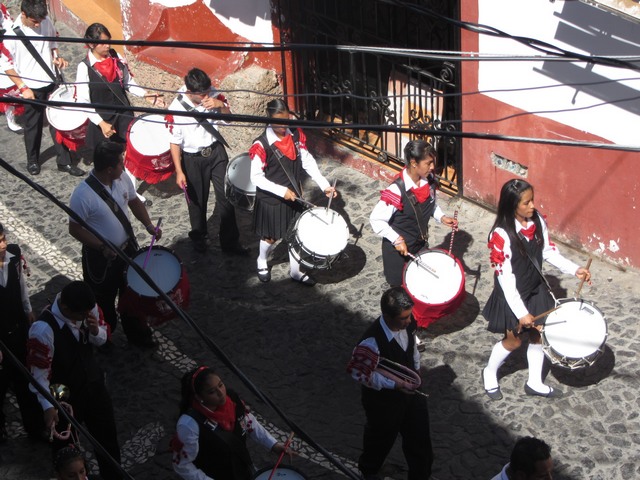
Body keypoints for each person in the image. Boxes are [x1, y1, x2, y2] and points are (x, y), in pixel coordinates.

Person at [481, 179, 591, 400]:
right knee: (513, 341)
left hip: (535, 287)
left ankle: (534, 382)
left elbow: (547, 252)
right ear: (513, 205)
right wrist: (521, 313)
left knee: (538, 335)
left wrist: (574, 269)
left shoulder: (537, 220)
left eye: (532, 200)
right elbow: (506, 279)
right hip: (513, 295)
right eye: (526, 203)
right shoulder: (501, 235)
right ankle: (489, 372)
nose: (532, 206)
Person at [69, 140, 161, 348]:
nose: (124, 165)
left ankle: (138, 336)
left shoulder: (122, 178)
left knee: (133, 295)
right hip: (101, 259)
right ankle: (104, 338)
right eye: (121, 163)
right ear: (109, 169)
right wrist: (102, 247)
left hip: (127, 249)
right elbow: (75, 229)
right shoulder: (82, 195)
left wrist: (148, 225)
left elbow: (134, 202)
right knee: (104, 302)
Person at [27, 281, 122, 479]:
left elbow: (103, 339)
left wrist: (96, 331)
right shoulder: (43, 330)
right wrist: (48, 407)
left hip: (94, 386)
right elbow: (39, 375)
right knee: (66, 453)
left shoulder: (87, 307)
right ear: (66, 308)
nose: (85, 317)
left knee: (108, 443)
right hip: (64, 398)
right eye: (80, 315)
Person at [346, 286, 433, 480]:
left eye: (409, 316)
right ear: (387, 316)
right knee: (379, 440)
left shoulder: (409, 325)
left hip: (412, 396)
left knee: (420, 440)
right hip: (383, 403)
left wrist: (416, 370)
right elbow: (361, 375)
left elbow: (413, 351)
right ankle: (369, 471)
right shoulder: (371, 342)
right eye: (403, 318)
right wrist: (395, 385)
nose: (409, 321)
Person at [249, 98, 337, 285]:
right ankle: (262, 260)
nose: (284, 125)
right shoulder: (261, 145)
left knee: (297, 234)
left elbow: (307, 162)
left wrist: (324, 185)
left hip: (295, 195)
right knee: (271, 237)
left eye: (286, 118)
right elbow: (255, 177)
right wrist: (281, 191)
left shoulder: (296, 135)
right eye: (279, 121)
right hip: (272, 199)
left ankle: (295, 271)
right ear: (269, 119)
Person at [75, 22, 164, 203]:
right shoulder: (84, 68)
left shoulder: (116, 57)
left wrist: (146, 95)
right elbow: (83, 101)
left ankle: (130, 191)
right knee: (107, 161)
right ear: (91, 44)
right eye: (103, 43)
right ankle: (109, 192)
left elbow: (129, 83)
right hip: (103, 119)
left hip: (123, 114)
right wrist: (100, 123)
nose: (108, 46)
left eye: (109, 41)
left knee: (128, 153)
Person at [0, 0, 84, 176]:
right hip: (31, 86)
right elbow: (7, 65)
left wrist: (57, 57)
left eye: (40, 20)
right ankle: (33, 160)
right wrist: (23, 87)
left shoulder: (45, 22)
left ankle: (64, 161)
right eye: (34, 21)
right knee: (33, 125)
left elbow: (53, 43)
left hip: (51, 81)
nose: (38, 24)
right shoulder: (11, 36)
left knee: (57, 123)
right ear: (23, 14)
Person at [169, 67, 247, 255]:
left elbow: (229, 119)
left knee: (226, 197)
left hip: (216, 152)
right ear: (190, 91)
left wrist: (219, 105)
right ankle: (199, 236)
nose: (205, 95)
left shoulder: (213, 94)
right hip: (192, 159)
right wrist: (179, 171)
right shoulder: (176, 108)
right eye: (201, 94)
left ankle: (230, 242)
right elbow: (174, 142)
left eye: (207, 91)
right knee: (197, 201)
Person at [171, 366, 291, 480]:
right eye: (212, 391)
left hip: (243, 470)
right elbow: (181, 465)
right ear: (199, 397)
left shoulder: (232, 398)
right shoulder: (188, 426)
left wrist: (273, 444)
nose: (221, 393)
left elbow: (248, 421)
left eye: (221, 385)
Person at [370, 139, 457, 288]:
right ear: (414, 163)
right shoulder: (396, 190)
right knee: (401, 293)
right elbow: (376, 219)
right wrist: (397, 240)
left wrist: (441, 217)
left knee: (421, 286)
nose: (432, 167)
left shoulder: (429, 180)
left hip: (419, 245)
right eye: (428, 163)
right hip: (398, 252)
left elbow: (431, 203)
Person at [0, 221, 45, 443]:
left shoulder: (14, 255)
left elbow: (21, 285)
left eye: (2, 240)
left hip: (17, 327)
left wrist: (27, 309)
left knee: (25, 382)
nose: (1, 246)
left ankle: (35, 429)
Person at [0, 3, 24, 133]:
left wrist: (8, 33)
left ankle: (10, 119)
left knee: (8, 86)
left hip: (3, 50)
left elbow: (6, 21)